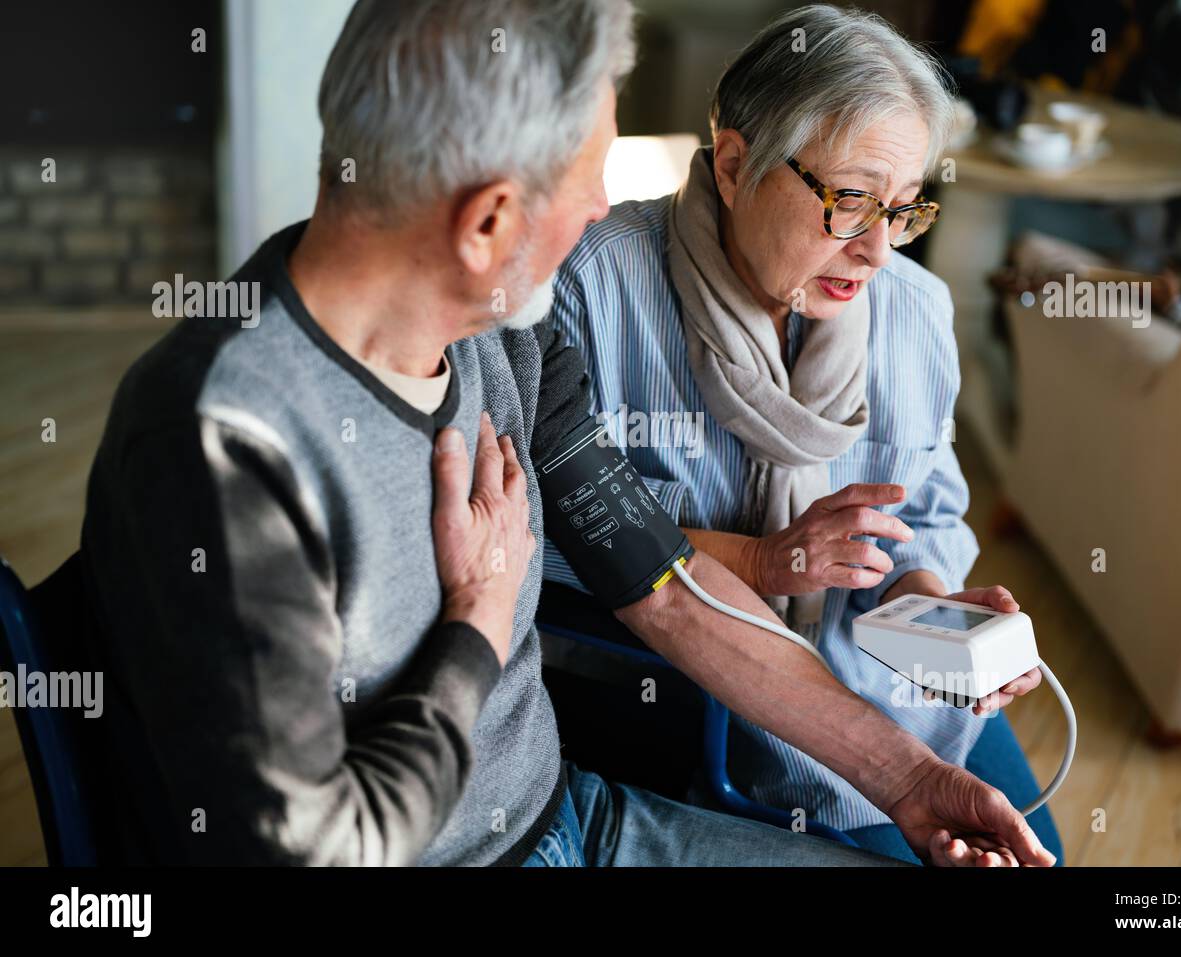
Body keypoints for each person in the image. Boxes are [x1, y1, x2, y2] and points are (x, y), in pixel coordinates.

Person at [78, 0, 1054, 867]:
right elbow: (318, 849)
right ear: (489, 220)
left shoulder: (513, 333)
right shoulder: (222, 445)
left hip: (566, 814)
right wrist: (475, 620)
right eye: (590, 175)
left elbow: (664, 589)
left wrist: (909, 782)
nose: (603, 208)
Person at [542, 4, 1064, 864]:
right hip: (687, 710)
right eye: (851, 202)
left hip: (893, 691)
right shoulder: (593, 289)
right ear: (735, 162)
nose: (878, 252)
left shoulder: (915, 312)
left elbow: (928, 513)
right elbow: (549, 542)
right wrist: (761, 561)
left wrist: (928, 608)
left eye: (904, 210)